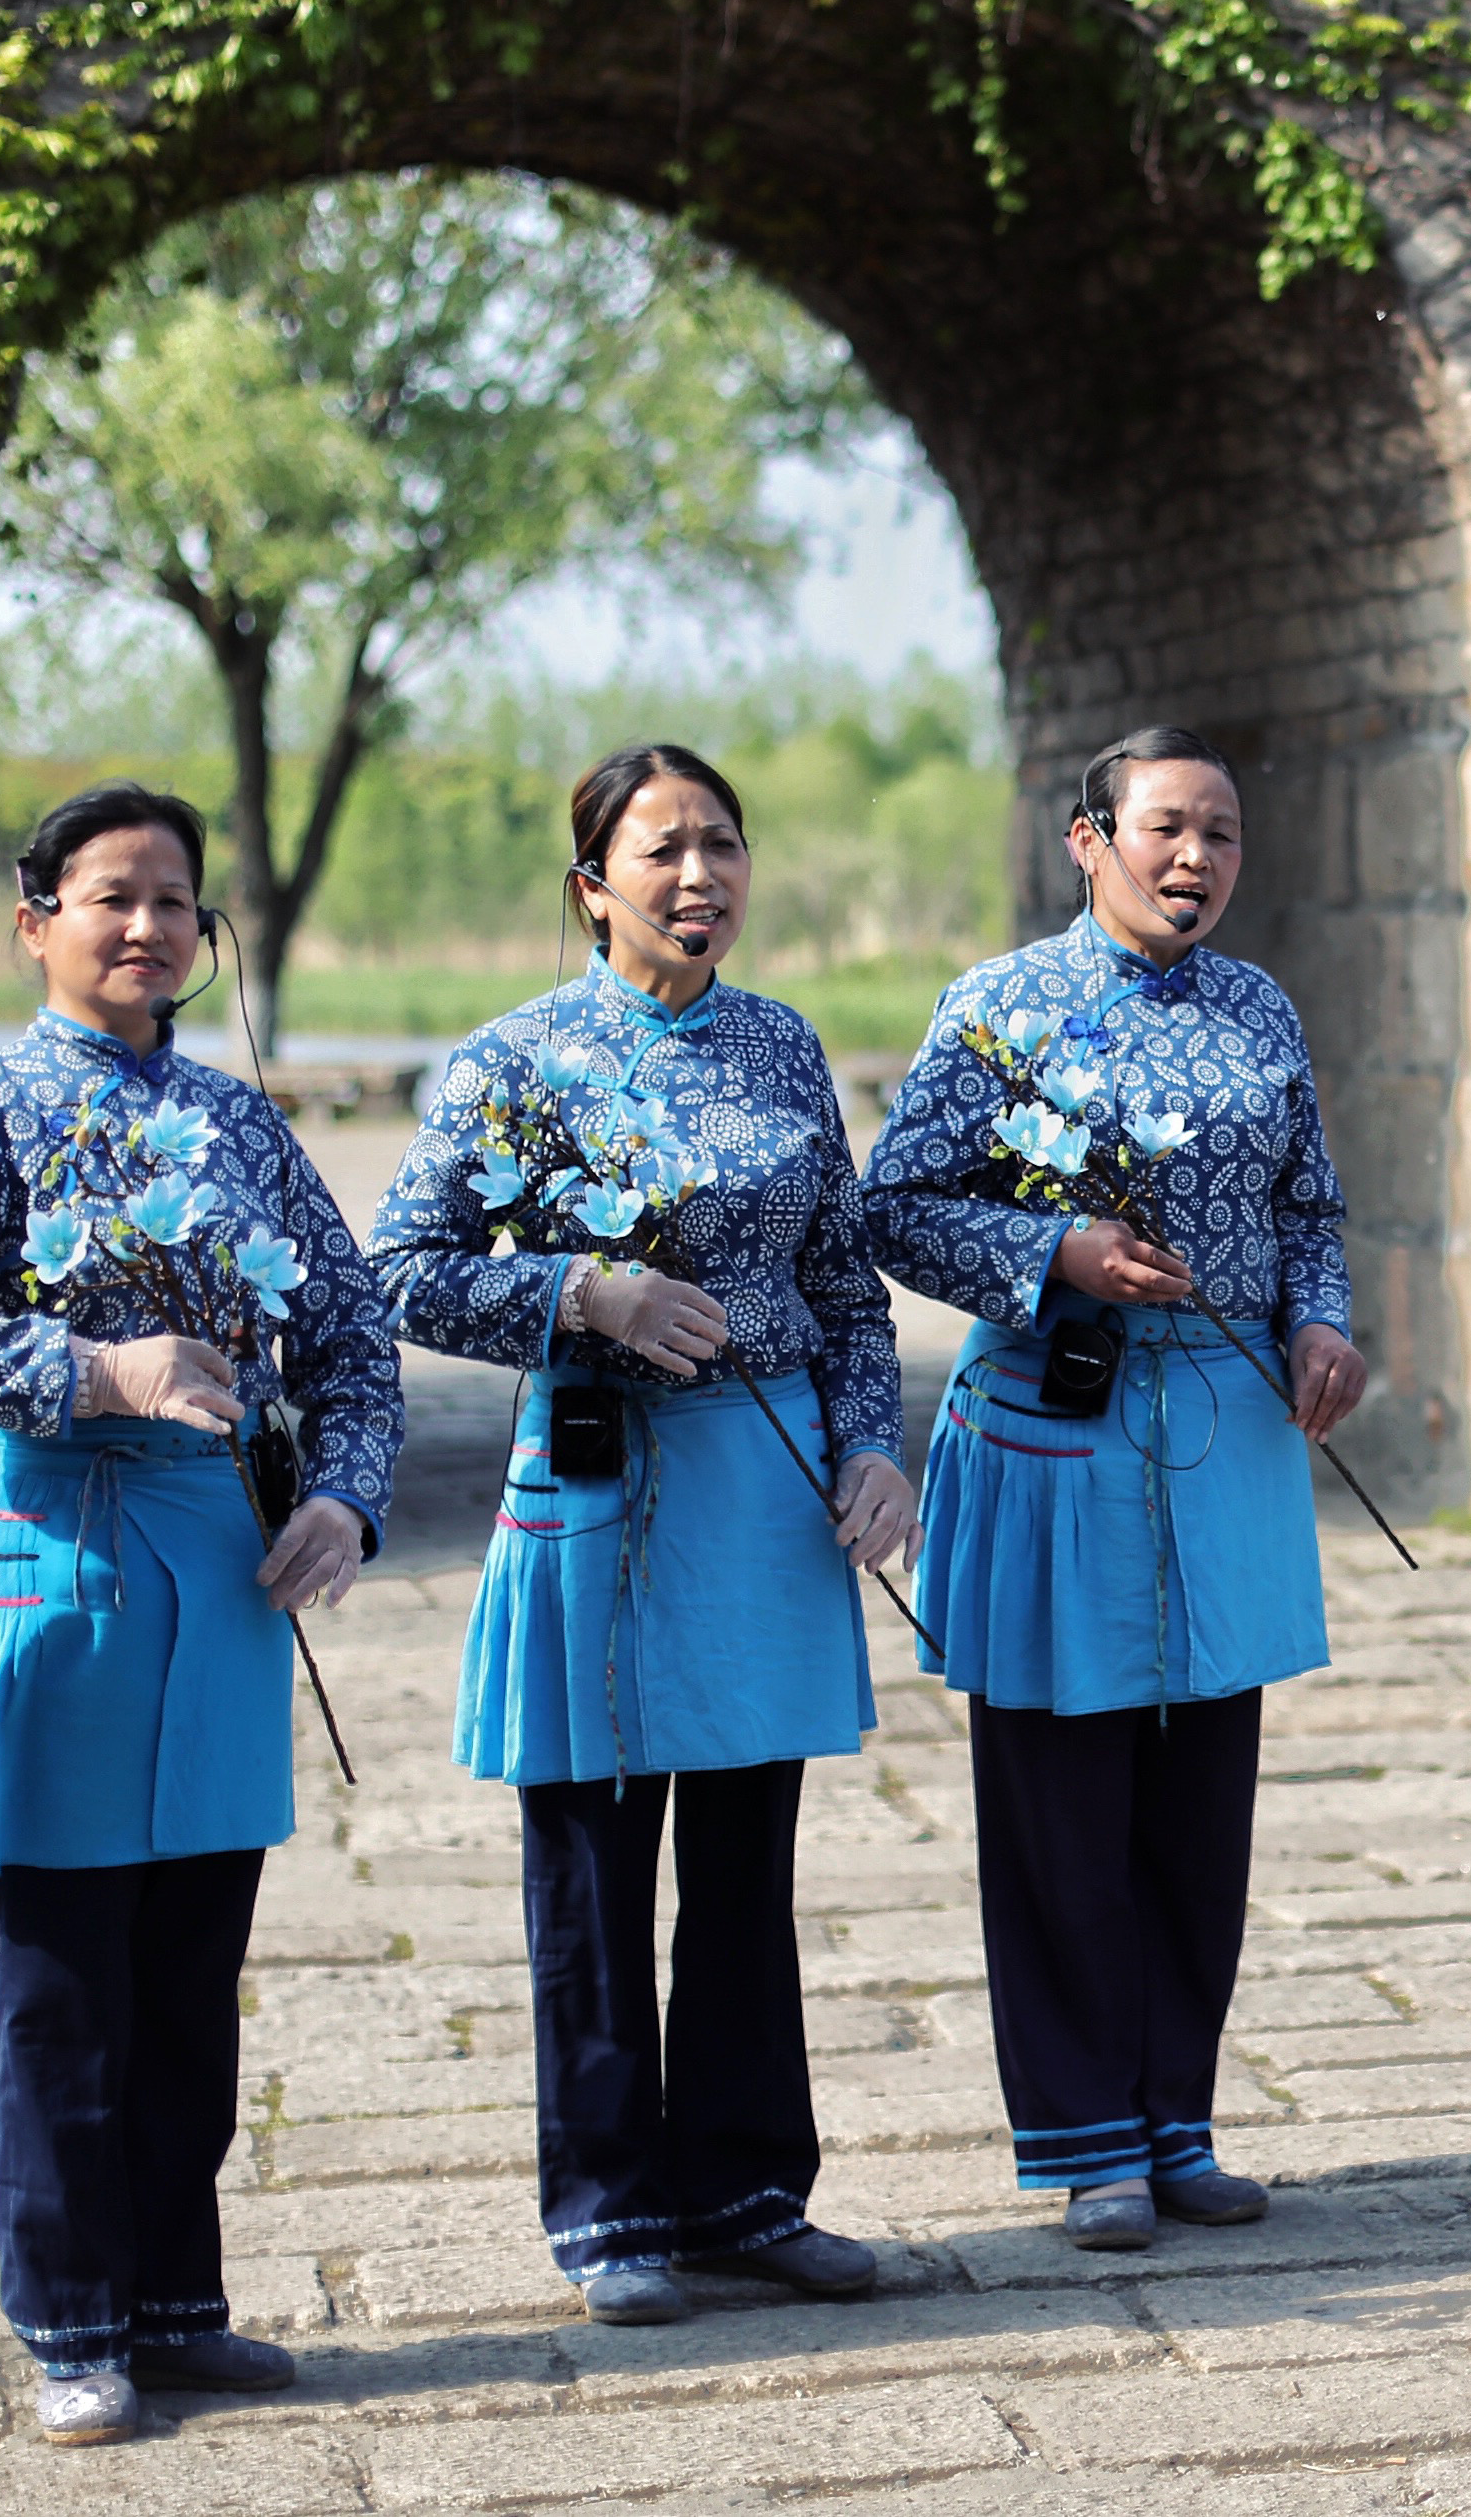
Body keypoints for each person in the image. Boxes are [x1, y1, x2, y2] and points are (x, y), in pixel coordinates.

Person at [0, 784, 398, 2447]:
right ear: (38, 924)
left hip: (219, 1586)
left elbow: (356, 1335)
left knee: (190, 1974)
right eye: (109, 897)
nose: (146, 927)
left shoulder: (243, 1127)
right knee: (67, 1984)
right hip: (50, 1565)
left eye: (174, 901)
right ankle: (70, 2316)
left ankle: (177, 2300)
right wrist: (92, 1369)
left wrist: (344, 1495)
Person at [369, 743, 914, 2324]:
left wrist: (874, 1449)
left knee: (748, 1862)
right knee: (596, 1864)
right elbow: (396, 1266)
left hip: (768, 1493)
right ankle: (609, 2212)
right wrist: (575, 1293)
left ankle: (750, 2192)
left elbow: (841, 1285)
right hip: (599, 1492)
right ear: (590, 885)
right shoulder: (511, 1062)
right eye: (666, 851)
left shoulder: (784, 1047)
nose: (702, 880)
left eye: (726, 847)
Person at [863, 725, 1361, 2253]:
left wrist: (1320, 1318)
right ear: (1090, 841)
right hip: (1053, 1439)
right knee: (1063, 1803)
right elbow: (895, 1204)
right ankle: (1085, 2143)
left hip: (1224, 1442)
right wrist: (1056, 1255)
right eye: (1164, 828)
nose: (1194, 857)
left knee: (1203, 1802)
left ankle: (1180, 2123)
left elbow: (1309, 1207)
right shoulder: (998, 1010)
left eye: (1219, 830)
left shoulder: (1263, 1011)